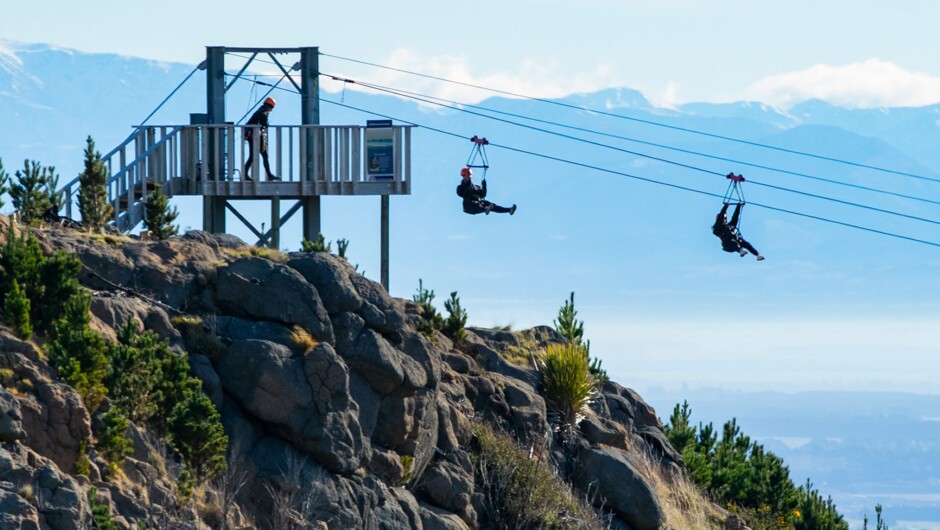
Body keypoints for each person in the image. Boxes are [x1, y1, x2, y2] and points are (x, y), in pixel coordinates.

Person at [243, 97, 279, 181]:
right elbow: (263, 124)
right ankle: (269, 175)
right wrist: (265, 125)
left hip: (255, 135)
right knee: (260, 155)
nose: (271, 110)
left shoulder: (260, 111)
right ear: (268, 106)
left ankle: (268, 175)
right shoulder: (262, 113)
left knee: (258, 155)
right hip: (254, 136)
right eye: (271, 108)